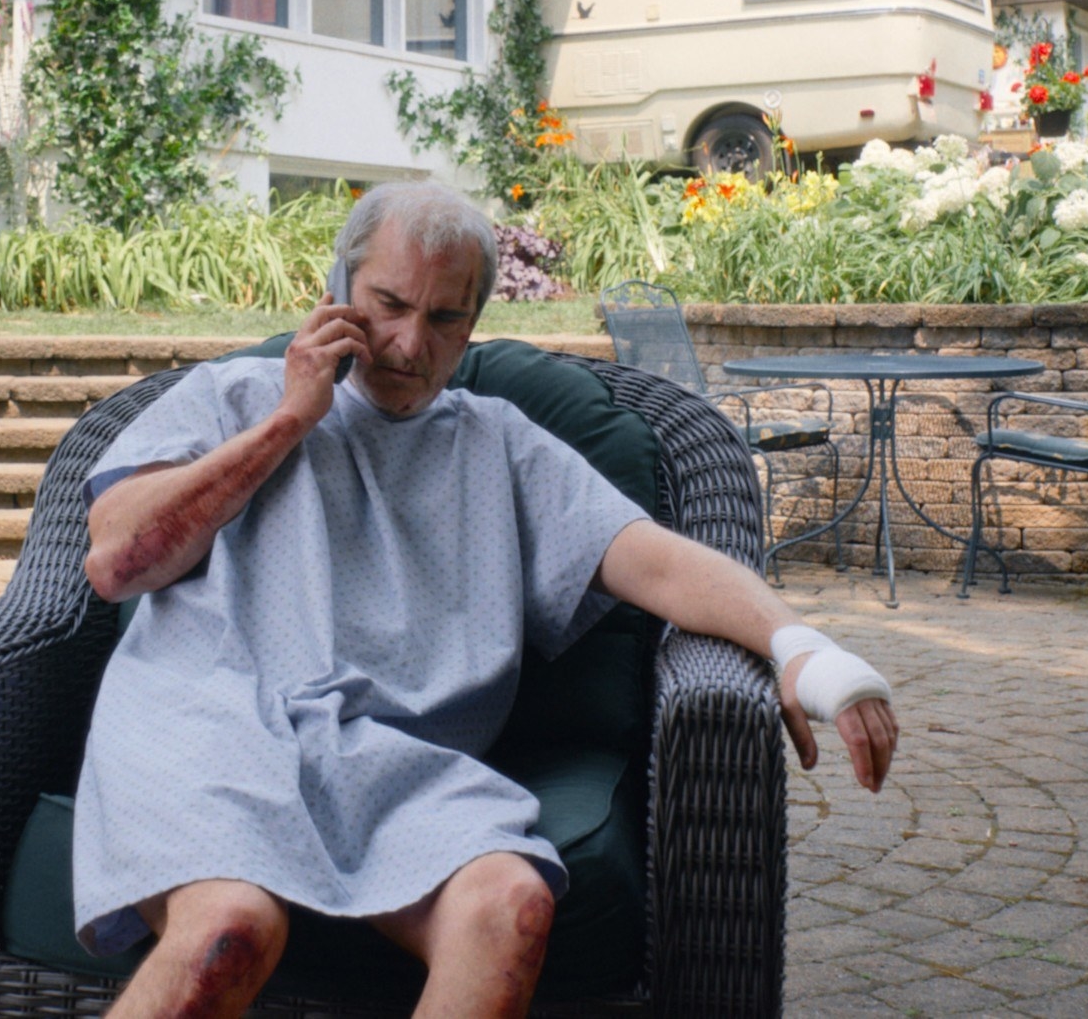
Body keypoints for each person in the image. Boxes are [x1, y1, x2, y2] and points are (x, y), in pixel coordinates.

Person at [74, 181, 901, 1019]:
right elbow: (118, 560)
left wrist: (800, 648)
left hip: (384, 763)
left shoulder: (497, 444)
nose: (407, 343)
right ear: (336, 289)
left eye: (444, 318)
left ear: (474, 322)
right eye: (388, 303)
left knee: (509, 903)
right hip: (210, 726)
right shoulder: (230, 399)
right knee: (231, 928)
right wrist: (291, 419)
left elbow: (657, 564)